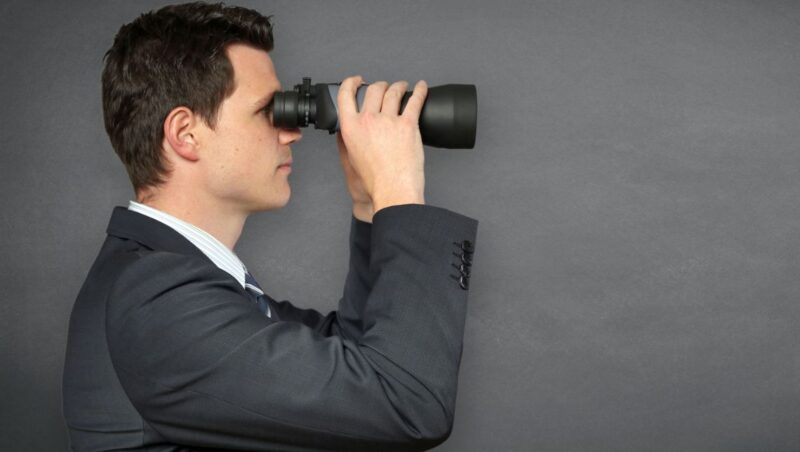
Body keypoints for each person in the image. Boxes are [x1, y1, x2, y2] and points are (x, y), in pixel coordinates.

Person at [62, 2, 478, 451]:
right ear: (186, 134)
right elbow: (407, 404)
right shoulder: (157, 301)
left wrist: (370, 204)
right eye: (268, 110)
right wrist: (400, 192)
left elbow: (355, 358)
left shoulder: (169, 284)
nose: (292, 132)